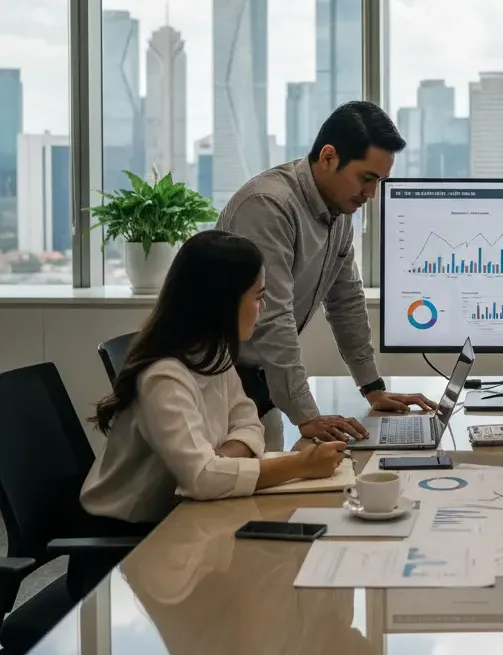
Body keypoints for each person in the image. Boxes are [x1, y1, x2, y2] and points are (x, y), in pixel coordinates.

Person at [81, 231, 348, 527]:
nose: (263, 308)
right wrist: (300, 465)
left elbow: (249, 424)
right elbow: (201, 479)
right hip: (126, 537)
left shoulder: (213, 355)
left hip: (179, 516)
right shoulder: (164, 376)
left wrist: (219, 463)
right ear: (223, 302)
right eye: (258, 297)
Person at [217, 100, 435, 449]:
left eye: (379, 181)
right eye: (366, 178)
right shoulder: (268, 207)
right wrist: (307, 415)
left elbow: (346, 300)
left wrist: (372, 388)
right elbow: (273, 319)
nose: (371, 194)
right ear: (329, 157)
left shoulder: (339, 210)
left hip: (259, 387)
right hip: (218, 386)